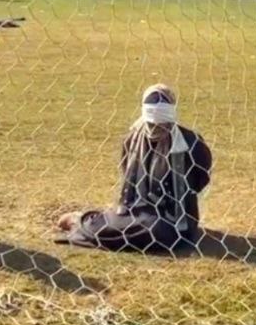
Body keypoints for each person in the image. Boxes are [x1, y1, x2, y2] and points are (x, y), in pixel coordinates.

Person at [55, 85, 212, 253]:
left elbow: (201, 178)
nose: (155, 129)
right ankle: (81, 220)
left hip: (173, 219)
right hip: (134, 211)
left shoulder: (191, 142)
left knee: (157, 232)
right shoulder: (132, 139)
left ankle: (85, 227)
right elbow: (127, 171)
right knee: (120, 225)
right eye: (151, 124)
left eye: (161, 124)